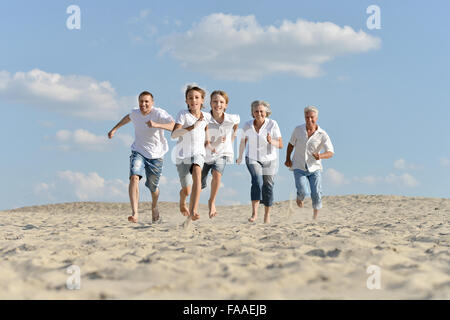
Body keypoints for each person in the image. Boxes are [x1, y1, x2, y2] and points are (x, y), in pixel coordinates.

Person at [108, 91, 174, 223]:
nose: (143, 104)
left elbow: (173, 125)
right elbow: (128, 117)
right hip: (138, 150)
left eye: (146, 102)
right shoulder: (135, 113)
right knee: (134, 176)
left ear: (152, 103)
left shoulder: (159, 113)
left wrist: (157, 124)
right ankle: (135, 213)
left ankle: (154, 206)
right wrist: (115, 129)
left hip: (156, 154)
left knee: (153, 187)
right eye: (141, 101)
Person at [284, 105, 334, 220]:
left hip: (314, 167)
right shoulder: (298, 130)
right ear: (304, 117)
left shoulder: (322, 134)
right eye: (307, 117)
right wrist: (287, 158)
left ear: (316, 118)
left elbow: (331, 152)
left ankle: (315, 217)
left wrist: (320, 156)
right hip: (298, 166)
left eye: (312, 117)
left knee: (316, 193)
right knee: (303, 191)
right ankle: (299, 198)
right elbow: (291, 144)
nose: (309, 120)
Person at [236, 100, 282, 224]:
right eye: (256, 111)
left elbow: (280, 144)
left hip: (270, 159)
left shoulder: (272, 124)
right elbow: (242, 141)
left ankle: (267, 215)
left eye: (261, 111)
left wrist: (270, 141)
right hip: (252, 157)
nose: (259, 113)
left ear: (266, 112)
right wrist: (240, 156)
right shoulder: (247, 125)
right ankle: (254, 213)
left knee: (268, 186)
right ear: (252, 112)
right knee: (256, 181)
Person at [171, 85, 211, 221]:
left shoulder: (206, 116)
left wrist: (209, 143)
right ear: (186, 101)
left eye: (196, 97)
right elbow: (174, 134)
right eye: (190, 98)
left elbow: (206, 131)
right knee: (187, 190)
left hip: (198, 153)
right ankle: (182, 200)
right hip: (182, 155)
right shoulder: (183, 114)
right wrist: (192, 127)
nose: (193, 100)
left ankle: (193, 210)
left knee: (197, 175)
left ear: (202, 100)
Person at [201, 90, 240, 218]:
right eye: (215, 101)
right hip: (204, 154)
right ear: (210, 103)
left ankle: (212, 202)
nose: (218, 104)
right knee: (199, 183)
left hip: (222, 152)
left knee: (217, 174)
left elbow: (236, 123)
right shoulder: (204, 117)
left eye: (221, 102)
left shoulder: (231, 118)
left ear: (226, 105)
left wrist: (232, 139)